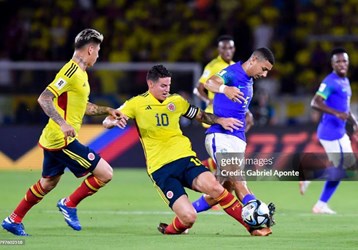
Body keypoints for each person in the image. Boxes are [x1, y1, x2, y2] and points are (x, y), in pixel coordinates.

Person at [103, 64, 272, 236]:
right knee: (189, 217)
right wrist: (112, 122)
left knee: (217, 188)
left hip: (185, 159)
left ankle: (252, 227)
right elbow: (109, 119)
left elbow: (200, 115)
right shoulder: (136, 104)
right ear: (150, 84)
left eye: (168, 85)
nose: (166, 89)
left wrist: (220, 120)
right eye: (163, 86)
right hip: (161, 169)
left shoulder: (176, 101)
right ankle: (169, 230)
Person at [2, 28, 126, 236]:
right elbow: (44, 98)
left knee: (47, 183)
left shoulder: (81, 75)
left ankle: (13, 219)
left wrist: (107, 110)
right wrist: (62, 123)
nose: (98, 55)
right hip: (62, 139)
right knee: (105, 173)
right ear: (90, 49)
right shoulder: (70, 72)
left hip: (55, 138)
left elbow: (84, 106)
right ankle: (69, 204)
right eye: (98, 51)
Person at [191, 48, 276, 225]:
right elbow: (209, 83)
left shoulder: (250, 79)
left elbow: (239, 103)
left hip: (237, 139)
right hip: (220, 136)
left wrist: (247, 114)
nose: (265, 74)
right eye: (264, 69)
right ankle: (258, 214)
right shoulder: (232, 73)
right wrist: (224, 88)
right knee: (238, 178)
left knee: (222, 189)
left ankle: (185, 214)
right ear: (253, 60)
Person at [299, 48, 358, 214]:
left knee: (343, 169)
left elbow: (345, 108)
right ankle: (309, 175)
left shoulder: (344, 81)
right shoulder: (330, 81)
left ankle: (320, 205)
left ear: (348, 62)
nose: (341, 64)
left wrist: (354, 122)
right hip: (331, 132)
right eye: (338, 61)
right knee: (343, 169)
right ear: (332, 64)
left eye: (344, 61)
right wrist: (336, 113)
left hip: (339, 132)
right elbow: (315, 102)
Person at [193, 35, 254, 171]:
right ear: (219, 50)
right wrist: (209, 100)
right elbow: (198, 89)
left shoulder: (234, 67)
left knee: (225, 158)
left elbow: (239, 93)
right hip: (215, 114)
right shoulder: (213, 66)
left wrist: (247, 111)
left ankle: (203, 173)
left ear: (234, 49)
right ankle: (198, 172)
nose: (227, 51)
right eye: (224, 48)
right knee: (224, 156)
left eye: (230, 48)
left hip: (230, 114)